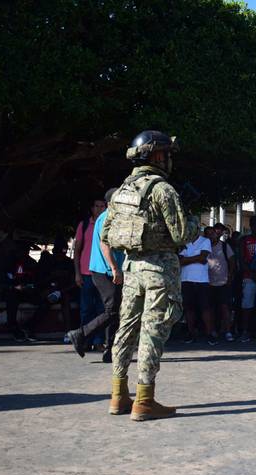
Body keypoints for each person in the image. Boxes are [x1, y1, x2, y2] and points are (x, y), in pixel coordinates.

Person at [101, 130, 198, 421]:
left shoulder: (122, 190)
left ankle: (118, 396)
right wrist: (193, 221)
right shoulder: (162, 190)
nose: (169, 159)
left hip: (131, 269)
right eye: (167, 154)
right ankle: (144, 400)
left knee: (125, 330)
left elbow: (106, 234)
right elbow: (181, 233)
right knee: (152, 332)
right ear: (156, 155)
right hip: (159, 273)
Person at [66, 188, 125, 362]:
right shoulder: (107, 217)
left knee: (115, 310)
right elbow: (104, 245)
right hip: (103, 270)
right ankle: (80, 334)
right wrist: (114, 268)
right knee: (112, 310)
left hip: (110, 270)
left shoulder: (114, 217)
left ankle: (110, 351)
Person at [73, 197, 107, 350]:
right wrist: (77, 273)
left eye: (102, 206)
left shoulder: (108, 224)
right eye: (97, 206)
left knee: (102, 309)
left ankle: (98, 341)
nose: (99, 209)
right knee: (86, 309)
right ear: (92, 208)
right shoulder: (84, 225)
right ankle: (84, 340)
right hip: (86, 273)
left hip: (102, 273)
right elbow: (77, 250)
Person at [2, 241, 49, 342]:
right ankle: (14, 328)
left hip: (27, 292)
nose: (23, 253)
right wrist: (14, 287)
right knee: (11, 298)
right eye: (21, 251)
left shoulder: (32, 263)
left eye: (26, 251)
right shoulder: (9, 263)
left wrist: (31, 287)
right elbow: (3, 281)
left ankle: (28, 327)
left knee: (45, 303)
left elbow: (37, 281)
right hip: (13, 291)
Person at [179, 229, 214, 345]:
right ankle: (191, 333)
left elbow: (203, 257)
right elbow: (180, 261)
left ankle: (209, 334)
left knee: (206, 308)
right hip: (186, 279)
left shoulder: (205, 241)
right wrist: (197, 258)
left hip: (202, 280)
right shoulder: (183, 242)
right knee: (189, 309)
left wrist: (188, 259)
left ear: (197, 230)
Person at [208, 223, 236, 342]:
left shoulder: (225, 246)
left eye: (217, 231)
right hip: (208, 283)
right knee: (211, 308)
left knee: (225, 308)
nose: (214, 234)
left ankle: (228, 331)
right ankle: (213, 331)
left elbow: (232, 262)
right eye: (213, 231)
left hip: (223, 282)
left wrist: (230, 277)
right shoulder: (205, 246)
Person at [239, 216, 256, 342]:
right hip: (249, 277)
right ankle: (245, 331)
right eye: (253, 224)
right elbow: (241, 259)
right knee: (247, 306)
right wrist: (252, 273)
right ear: (250, 225)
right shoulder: (244, 240)